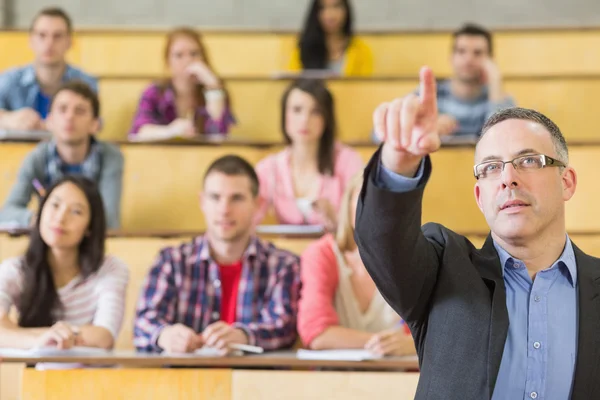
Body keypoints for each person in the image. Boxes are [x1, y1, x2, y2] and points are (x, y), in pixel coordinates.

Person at [355, 66, 600, 399]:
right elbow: (385, 243)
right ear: (480, 196)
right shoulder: (441, 271)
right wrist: (400, 162)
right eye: (491, 167)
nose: (507, 178)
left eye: (528, 160)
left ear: (566, 182)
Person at [134, 155, 301, 354]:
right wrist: (165, 335)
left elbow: (285, 327)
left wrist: (244, 336)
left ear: (257, 204)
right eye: (215, 197)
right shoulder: (171, 261)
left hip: (255, 382)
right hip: (183, 381)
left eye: (236, 198)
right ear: (202, 201)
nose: (224, 210)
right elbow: (144, 322)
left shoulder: (283, 265)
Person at [0, 176, 129, 350]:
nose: (60, 218)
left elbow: (103, 336)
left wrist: (19, 335)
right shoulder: (15, 269)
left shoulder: (110, 268)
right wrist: (41, 339)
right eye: (55, 205)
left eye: (76, 211)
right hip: (38, 375)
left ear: (90, 226)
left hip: (95, 375)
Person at [298, 171, 414, 356]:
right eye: (364, 199)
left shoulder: (415, 257)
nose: (373, 209)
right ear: (348, 206)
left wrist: (411, 345)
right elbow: (316, 332)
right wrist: (385, 344)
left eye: (384, 200)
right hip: (332, 379)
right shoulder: (322, 254)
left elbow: (436, 333)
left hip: (400, 379)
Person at [0, 80, 123, 230]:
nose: (69, 117)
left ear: (95, 124)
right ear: (49, 121)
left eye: (80, 111)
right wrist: (40, 218)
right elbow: (7, 212)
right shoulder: (36, 157)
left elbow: (109, 220)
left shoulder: (111, 157)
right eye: (62, 109)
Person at [254, 79, 363, 231]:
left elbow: (364, 227)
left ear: (327, 118)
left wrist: (338, 221)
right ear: (284, 114)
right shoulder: (269, 168)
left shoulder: (348, 161)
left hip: (334, 251)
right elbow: (248, 218)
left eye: (316, 112)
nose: (305, 120)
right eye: (297, 110)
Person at [0, 7, 97, 131]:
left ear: (69, 41)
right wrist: (8, 119)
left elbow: (96, 124)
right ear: (31, 40)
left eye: (57, 36)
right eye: (42, 35)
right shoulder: (8, 80)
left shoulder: (86, 83)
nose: (49, 43)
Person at [129, 27, 235, 140]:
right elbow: (138, 133)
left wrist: (213, 87)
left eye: (194, 54)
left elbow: (219, 134)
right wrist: (171, 131)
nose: (187, 60)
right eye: (179, 55)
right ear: (168, 61)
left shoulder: (216, 92)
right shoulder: (154, 93)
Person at [288, 0, 373, 77]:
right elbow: (293, 83)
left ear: (346, 10)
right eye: (323, 8)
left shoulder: (361, 50)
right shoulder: (303, 48)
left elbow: (365, 89)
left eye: (336, 6)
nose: (330, 15)